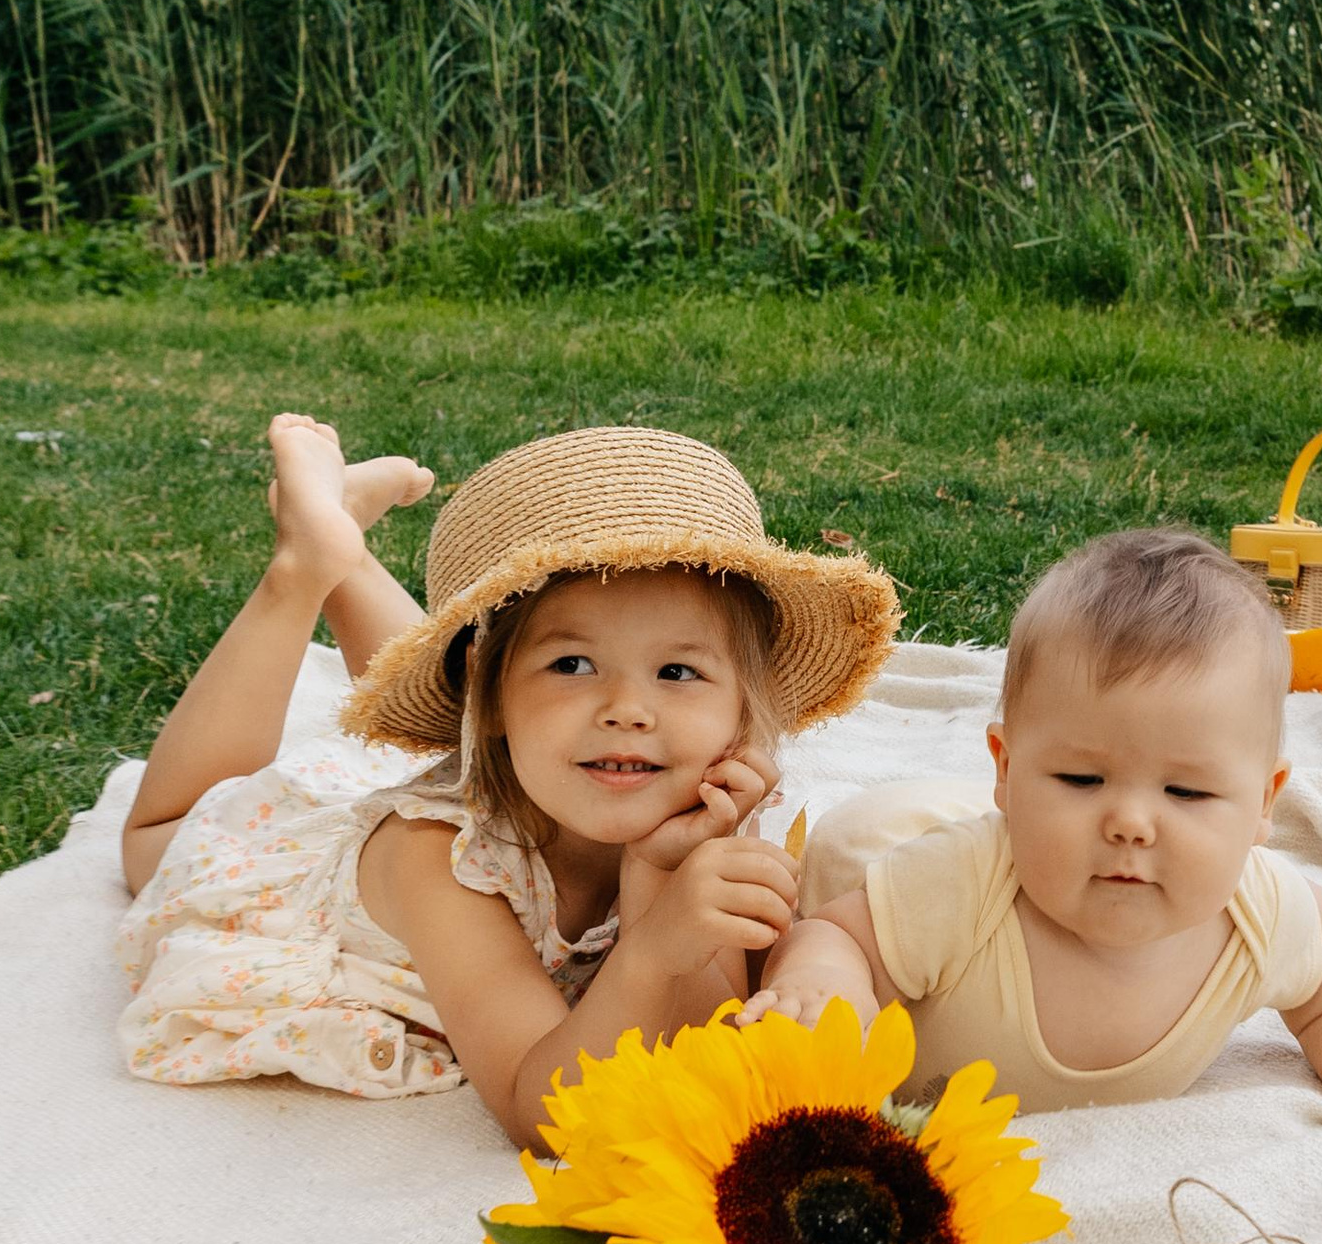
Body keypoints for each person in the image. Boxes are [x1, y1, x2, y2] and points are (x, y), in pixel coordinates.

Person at [116, 415, 898, 1146]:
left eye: (677, 670)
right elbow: (543, 1113)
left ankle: (347, 546)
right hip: (281, 876)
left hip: (520, 761)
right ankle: (307, 565)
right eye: (574, 663)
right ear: (485, 700)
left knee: (528, 720)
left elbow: (701, 1030)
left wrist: (658, 873)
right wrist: (652, 951)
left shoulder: (703, 800)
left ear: (739, 714)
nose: (628, 709)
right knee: (159, 837)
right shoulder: (436, 860)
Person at [747, 525, 1322, 1120]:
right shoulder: (961, 887)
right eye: (1081, 779)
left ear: (1263, 803)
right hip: (896, 847)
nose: (1129, 823)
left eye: (1186, 792)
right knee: (861, 843)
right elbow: (837, 933)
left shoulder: (1260, 914)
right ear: (1005, 769)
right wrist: (821, 984)